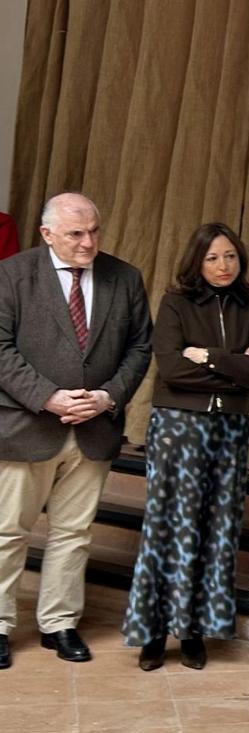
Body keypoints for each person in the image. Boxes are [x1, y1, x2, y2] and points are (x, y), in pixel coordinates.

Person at [0, 192, 152, 668]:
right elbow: (0, 349)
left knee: (74, 533)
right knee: (7, 532)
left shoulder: (124, 277)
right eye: (75, 234)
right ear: (47, 234)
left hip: (94, 429)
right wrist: (47, 395)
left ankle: (60, 624)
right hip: (27, 425)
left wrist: (108, 397)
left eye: (94, 231)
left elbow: (139, 348)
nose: (89, 242)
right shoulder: (12, 275)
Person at [121, 223, 249, 670]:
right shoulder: (176, 304)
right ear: (197, 262)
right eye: (212, 258)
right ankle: (154, 631)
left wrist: (208, 356)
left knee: (217, 530)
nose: (222, 266)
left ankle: (193, 629)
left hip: (229, 430)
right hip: (178, 428)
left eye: (230, 256)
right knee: (170, 527)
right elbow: (171, 369)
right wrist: (236, 365)